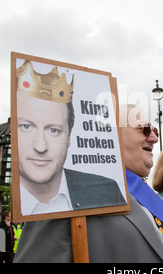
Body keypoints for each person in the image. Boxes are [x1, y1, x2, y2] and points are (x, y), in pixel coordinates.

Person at [15, 104, 163, 263]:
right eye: (144, 129)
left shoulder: (145, 199)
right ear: (111, 134)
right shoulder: (66, 196)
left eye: (155, 131)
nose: (153, 138)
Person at [16, 60, 126, 215]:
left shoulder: (107, 190)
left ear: (69, 136)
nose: (40, 146)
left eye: (53, 130)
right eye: (26, 127)